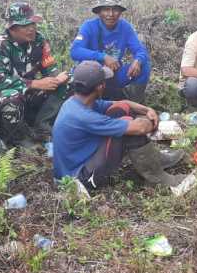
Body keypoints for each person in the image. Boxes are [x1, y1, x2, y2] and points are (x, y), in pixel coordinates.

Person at [52, 61, 186, 190]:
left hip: (79, 163)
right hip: (78, 179)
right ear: (100, 87)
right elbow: (140, 128)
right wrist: (151, 123)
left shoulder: (78, 102)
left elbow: (124, 103)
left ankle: (155, 160)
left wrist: (147, 110)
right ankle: (158, 179)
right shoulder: (83, 116)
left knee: (120, 108)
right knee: (130, 127)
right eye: (104, 81)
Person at [0, 2, 69, 148]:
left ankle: (42, 125)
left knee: (68, 83)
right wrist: (35, 84)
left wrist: (57, 78)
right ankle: (19, 140)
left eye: (33, 23)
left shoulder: (39, 40)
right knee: (11, 97)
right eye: (25, 25)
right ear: (12, 28)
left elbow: (49, 66)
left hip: (27, 90)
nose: (31, 28)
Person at [70, 0, 150, 103]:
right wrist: (103, 57)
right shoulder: (89, 26)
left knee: (144, 65)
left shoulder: (125, 27)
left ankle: (134, 104)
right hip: (89, 77)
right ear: (99, 12)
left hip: (113, 75)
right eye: (106, 9)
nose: (111, 14)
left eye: (115, 9)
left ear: (120, 12)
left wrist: (138, 60)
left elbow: (140, 50)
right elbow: (75, 51)